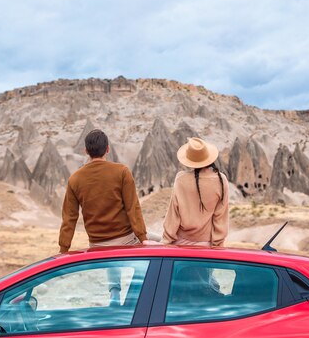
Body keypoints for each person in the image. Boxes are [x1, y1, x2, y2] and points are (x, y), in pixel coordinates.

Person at [59, 129, 148, 304]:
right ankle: (136, 295)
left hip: (97, 242)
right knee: (160, 241)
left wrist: (64, 249)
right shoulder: (122, 171)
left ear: (86, 151)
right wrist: (143, 237)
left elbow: (69, 218)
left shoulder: (75, 179)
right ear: (107, 149)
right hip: (126, 239)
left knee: (110, 248)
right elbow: (133, 208)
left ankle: (114, 294)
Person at [163, 137, 229, 246]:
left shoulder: (181, 179)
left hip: (181, 243)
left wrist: (166, 240)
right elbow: (220, 217)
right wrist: (217, 245)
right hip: (206, 244)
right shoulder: (221, 181)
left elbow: (173, 214)